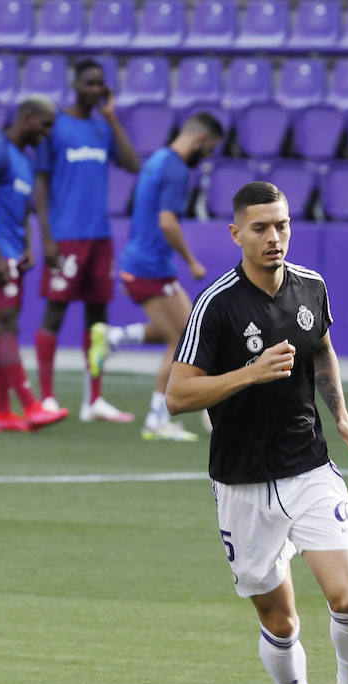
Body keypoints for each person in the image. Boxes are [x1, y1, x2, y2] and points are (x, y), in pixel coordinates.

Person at [166, 182, 348, 684]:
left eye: (283, 226)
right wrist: (248, 373)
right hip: (241, 482)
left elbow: (321, 348)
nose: (274, 238)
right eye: (262, 228)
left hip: (307, 468)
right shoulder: (215, 305)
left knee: (346, 597)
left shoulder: (311, 287)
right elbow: (177, 395)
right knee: (281, 618)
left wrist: (341, 415)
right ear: (237, 234)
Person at [97, 112, 225, 442]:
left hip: (143, 262)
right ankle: (156, 419)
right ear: (200, 140)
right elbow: (168, 223)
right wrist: (192, 261)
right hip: (150, 265)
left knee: (184, 330)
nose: (206, 156)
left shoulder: (157, 159)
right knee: (183, 339)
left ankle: (114, 338)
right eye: (208, 149)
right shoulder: (176, 170)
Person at [33, 59, 142, 423]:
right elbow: (41, 181)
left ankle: (93, 398)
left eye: (101, 84)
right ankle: (46, 397)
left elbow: (131, 164)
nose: (96, 90)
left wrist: (112, 117)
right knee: (55, 312)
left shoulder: (102, 128)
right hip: (65, 237)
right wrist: (46, 235)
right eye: (90, 83)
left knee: (98, 321)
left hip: (99, 236)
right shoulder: (56, 128)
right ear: (75, 84)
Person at [0, 96, 70, 433]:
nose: (48, 132)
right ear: (27, 119)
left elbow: (20, 209)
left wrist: (26, 246)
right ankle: (30, 406)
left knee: (5, 328)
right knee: (6, 323)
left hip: (9, 253)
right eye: (45, 124)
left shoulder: (23, 160)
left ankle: (1, 413)